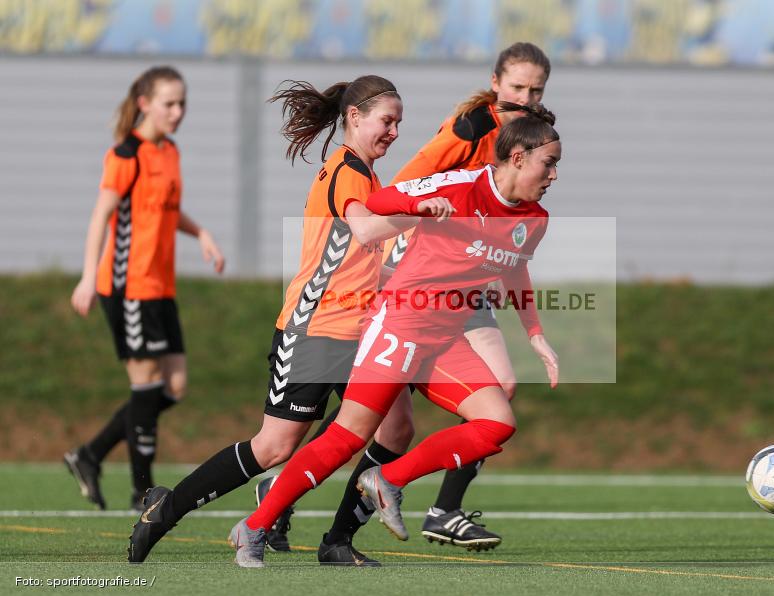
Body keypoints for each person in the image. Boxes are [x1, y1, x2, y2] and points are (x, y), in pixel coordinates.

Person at [229, 103, 561, 568]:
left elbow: (516, 268)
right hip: (401, 324)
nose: (554, 175)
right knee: (348, 437)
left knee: (496, 424)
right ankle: (254, 526)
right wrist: (419, 206)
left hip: (446, 339)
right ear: (519, 158)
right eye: (549, 163)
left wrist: (535, 334)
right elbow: (380, 203)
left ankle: (387, 480)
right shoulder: (460, 185)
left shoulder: (535, 219)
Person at [127, 74, 414, 564]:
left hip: (360, 332)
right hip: (314, 330)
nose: (394, 132)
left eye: (398, 123)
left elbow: (363, 255)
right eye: (387, 121)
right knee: (274, 446)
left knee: (395, 429)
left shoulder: (367, 175)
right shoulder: (345, 169)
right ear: (355, 117)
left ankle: (337, 542)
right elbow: (365, 229)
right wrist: (420, 214)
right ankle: (166, 507)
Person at [294, 41, 552, 559]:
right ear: (496, 83)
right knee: (374, 418)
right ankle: (295, 497)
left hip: (470, 272)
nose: (526, 97)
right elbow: (410, 180)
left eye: (536, 89)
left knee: (416, 413)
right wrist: (419, 225)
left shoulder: (529, 135)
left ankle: (434, 509)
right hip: (424, 269)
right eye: (518, 87)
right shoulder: (470, 128)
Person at [65, 66, 225, 511]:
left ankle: (89, 455)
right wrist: (86, 276)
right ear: (144, 104)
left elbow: (167, 211)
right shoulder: (125, 155)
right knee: (146, 386)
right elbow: (101, 216)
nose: (178, 111)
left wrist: (202, 233)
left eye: (182, 103)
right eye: (169, 103)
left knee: (172, 386)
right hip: (127, 286)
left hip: (160, 287)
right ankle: (142, 492)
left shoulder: (168, 151)